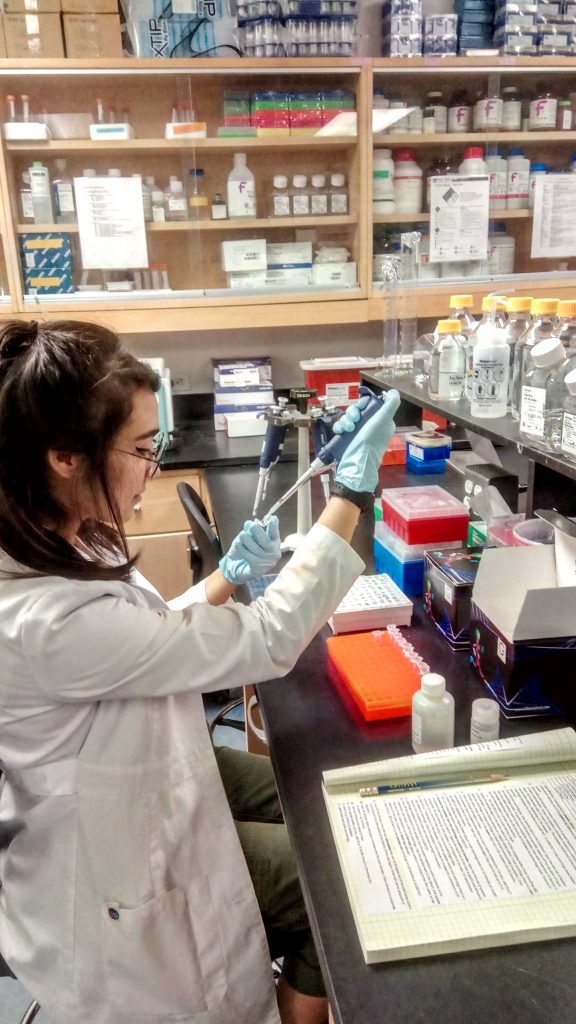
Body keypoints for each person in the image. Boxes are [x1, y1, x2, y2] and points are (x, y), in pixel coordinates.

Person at [0, 319, 400, 1024]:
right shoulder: (44, 619)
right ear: (65, 455)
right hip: (111, 861)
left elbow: (141, 641)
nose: (154, 466)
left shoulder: (57, 533)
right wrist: (351, 499)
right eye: (142, 448)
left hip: (143, 767)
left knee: (314, 795)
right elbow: (269, 639)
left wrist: (224, 579)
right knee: (332, 882)